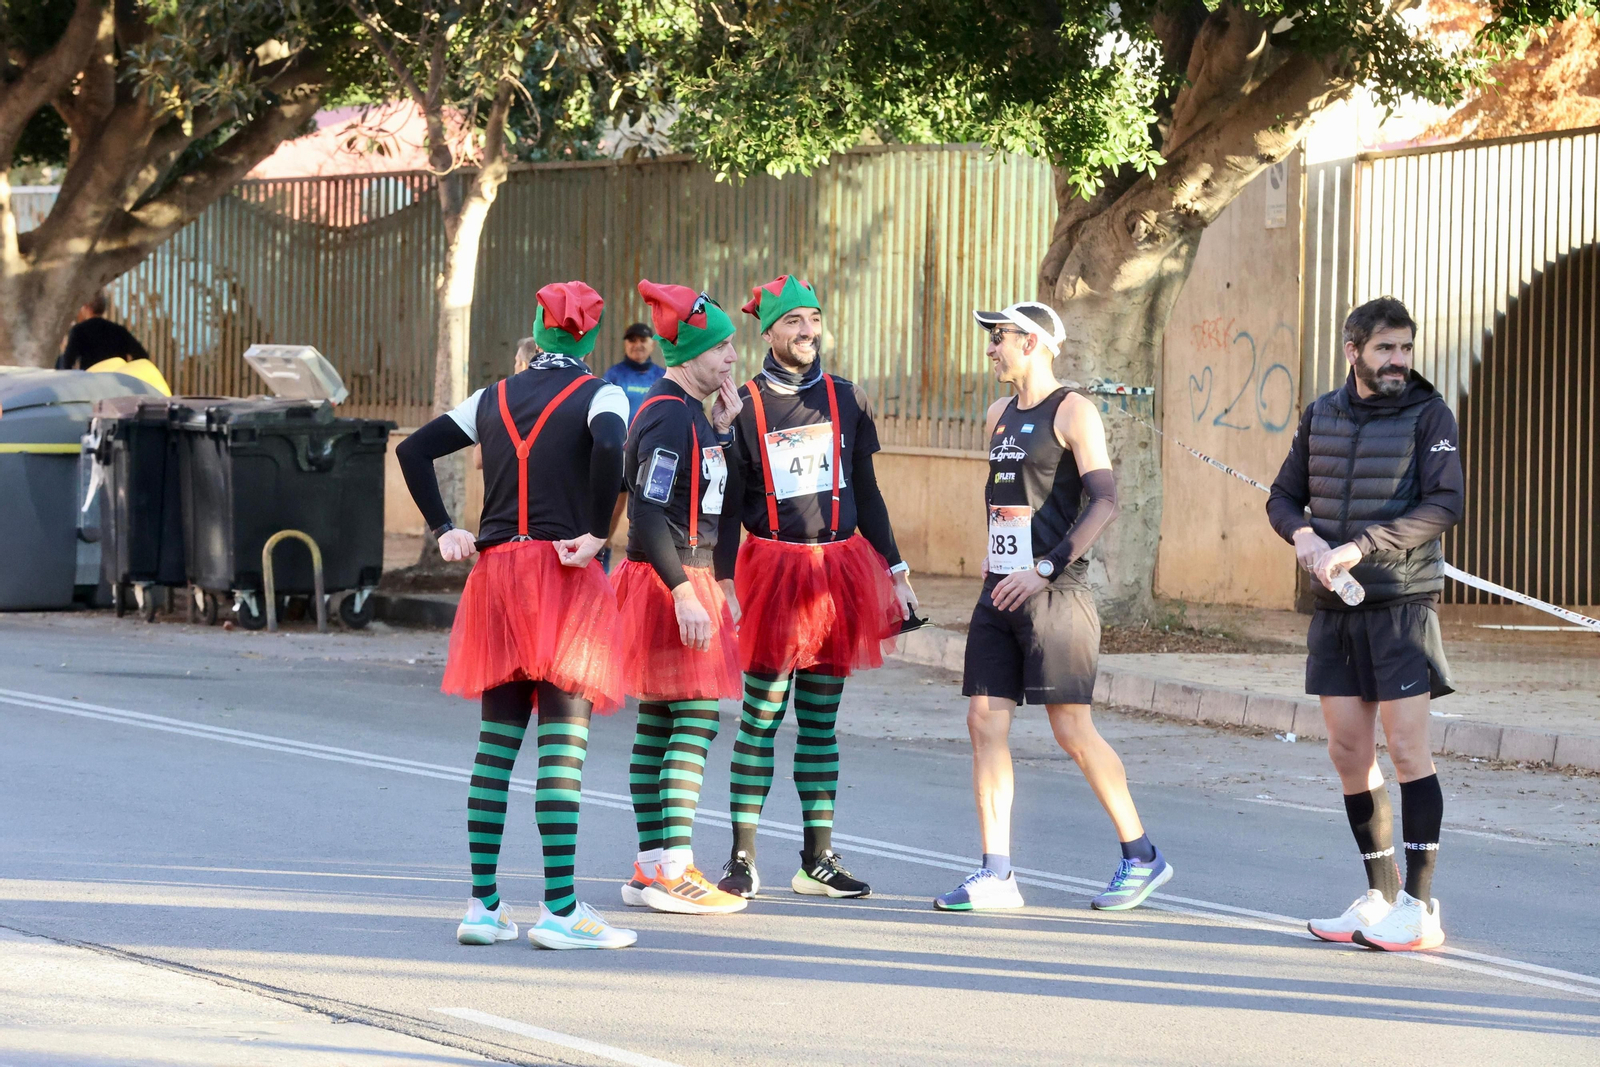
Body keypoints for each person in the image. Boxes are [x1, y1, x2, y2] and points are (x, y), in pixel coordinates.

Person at [395, 280, 637, 950]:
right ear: (590, 335)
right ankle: (560, 909)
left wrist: (446, 527)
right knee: (563, 745)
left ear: (539, 327)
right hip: (562, 573)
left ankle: (482, 905)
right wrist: (595, 532)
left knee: (495, 748)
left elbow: (412, 450)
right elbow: (614, 450)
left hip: (497, 573)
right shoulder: (602, 392)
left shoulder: (493, 396)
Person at [934, 301, 1173, 913]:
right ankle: (997, 874)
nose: (990, 349)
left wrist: (1045, 568)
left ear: (1035, 343)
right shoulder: (996, 415)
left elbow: (1105, 501)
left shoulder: (1073, 410)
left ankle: (1142, 854)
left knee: (1071, 729)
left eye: (1000, 338)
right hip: (999, 590)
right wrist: (999, 571)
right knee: (983, 721)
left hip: (1056, 592)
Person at [1267, 296, 1463, 952]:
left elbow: (1445, 502)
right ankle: (1380, 895)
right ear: (1353, 351)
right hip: (1335, 608)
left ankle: (1421, 906)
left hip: (1402, 604)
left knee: (1408, 751)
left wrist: (1364, 543)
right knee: (1349, 751)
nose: (1399, 361)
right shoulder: (1321, 413)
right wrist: (1301, 536)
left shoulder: (1429, 414)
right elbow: (1282, 494)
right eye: (1385, 349)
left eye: (1405, 348)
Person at [711, 274, 916, 901]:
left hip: (839, 573)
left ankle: (817, 859)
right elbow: (725, 508)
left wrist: (898, 573)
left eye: (814, 319)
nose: (806, 331)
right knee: (761, 718)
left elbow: (869, 491)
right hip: (771, 574)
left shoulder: (845, 398)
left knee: (821, 723)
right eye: (792, 321)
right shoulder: (741, 404)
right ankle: (742, 858)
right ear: (768, 331)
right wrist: (722, 581)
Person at [614, 280, 749, 916]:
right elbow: (645, 512)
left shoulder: (691, 412)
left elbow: (705, 500)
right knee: (693, 721)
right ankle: (674, 867)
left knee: (659, 724)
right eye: (719, 348)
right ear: (689, 354)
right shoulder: (669, 413)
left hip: (682, 575)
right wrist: (682, 593)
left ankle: (650, 866)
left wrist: (719, 429)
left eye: (731, 346)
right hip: (670, 577)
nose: (731, 357)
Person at [599, 324, 666, 567]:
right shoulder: (614, 375)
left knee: (650, 513)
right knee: (611, 513)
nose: (637, 345)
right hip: (621, 454)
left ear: (653, 344)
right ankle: (602, 557)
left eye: (643, 340)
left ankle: (649, 565)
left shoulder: (661, 376)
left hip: (652, 456)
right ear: (625, 344)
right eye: (632, 340)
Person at [56, 290, 149, 371]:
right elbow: (141, 355)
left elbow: (67, 363)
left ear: (86, 307)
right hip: (116, 382)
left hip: (93, 383)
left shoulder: (79, 331)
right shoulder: (119, 331)